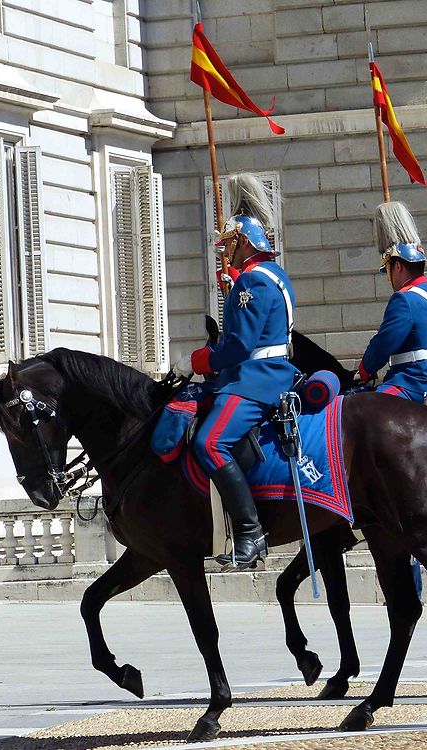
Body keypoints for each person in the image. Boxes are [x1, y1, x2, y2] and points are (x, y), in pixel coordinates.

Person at [172, 174, 298, 567]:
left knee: (209, 442)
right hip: (268, 370)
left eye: (229, 245)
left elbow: (239, 347)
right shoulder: (270, 277)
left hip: (257, 379)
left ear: (244, 242)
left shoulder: (253, 283)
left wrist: (193, 362)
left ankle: (249, 531)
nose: (226, 253)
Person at [356, 201, 427, 404]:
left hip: (413, 383)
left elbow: (384, 342)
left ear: (398, 266)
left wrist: (365, 370)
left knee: (362, 408)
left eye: (389, 269)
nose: (389, 277)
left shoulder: (404, 299)